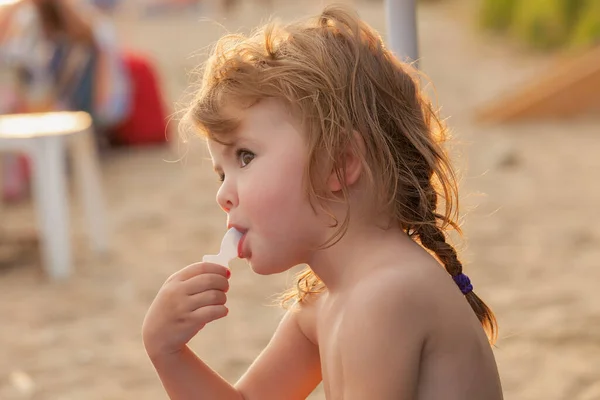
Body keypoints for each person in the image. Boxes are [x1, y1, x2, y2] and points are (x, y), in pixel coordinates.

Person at [142, 5, 504, 399]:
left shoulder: (386, 295)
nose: (223, 193)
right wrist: (168, 352)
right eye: (221, 173)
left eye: (245, 156)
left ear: (339, 163)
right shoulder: (326, 302)